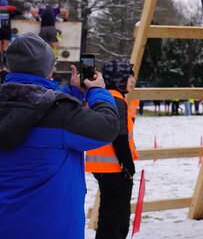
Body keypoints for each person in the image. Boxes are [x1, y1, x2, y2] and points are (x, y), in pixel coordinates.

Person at [0, 33, 119, 239]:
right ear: (49, 69)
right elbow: (107, 127)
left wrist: (73, 93)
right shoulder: (61, 115)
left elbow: (32, 106)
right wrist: (97, 91)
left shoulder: (57, 111)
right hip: (53, 229)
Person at [86, 60, 139, 239]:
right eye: (129, 76)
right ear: (118, 79)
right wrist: (128, 166)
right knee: (117, 221)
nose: (132, 79)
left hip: (104, 168)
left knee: (109, 217)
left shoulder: (104, 96)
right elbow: (120, 136)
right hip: (116, 168)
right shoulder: (116, 99)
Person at [0, 0, 21, 71]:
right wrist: (12, 8)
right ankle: (5, 65)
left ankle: (0, 65)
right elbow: (19, 13)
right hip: (6, 30)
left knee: (0, 48)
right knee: (5, 47)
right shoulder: (9, 11)